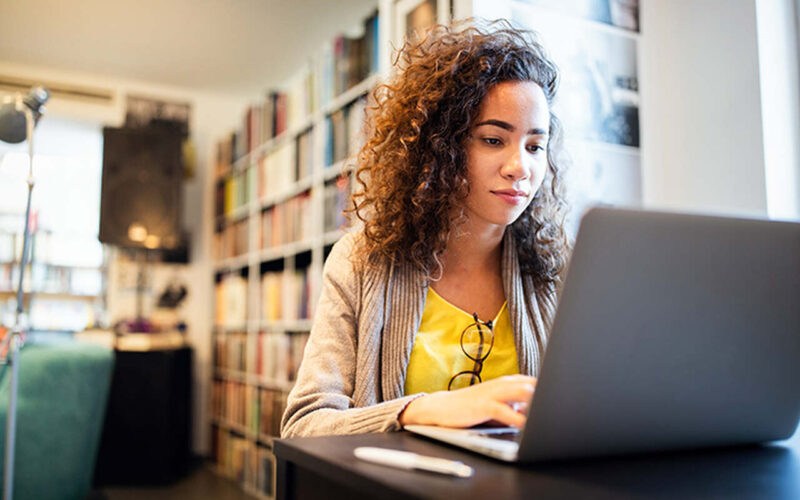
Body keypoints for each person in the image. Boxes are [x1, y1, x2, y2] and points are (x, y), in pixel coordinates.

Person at [281, 20, 570, 438]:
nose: (520, 168)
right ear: (441, 145)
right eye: (493, 140)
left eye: (534, 146)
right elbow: (303, 425)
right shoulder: (361, 260)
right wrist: (422, 411)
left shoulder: (558, 270)